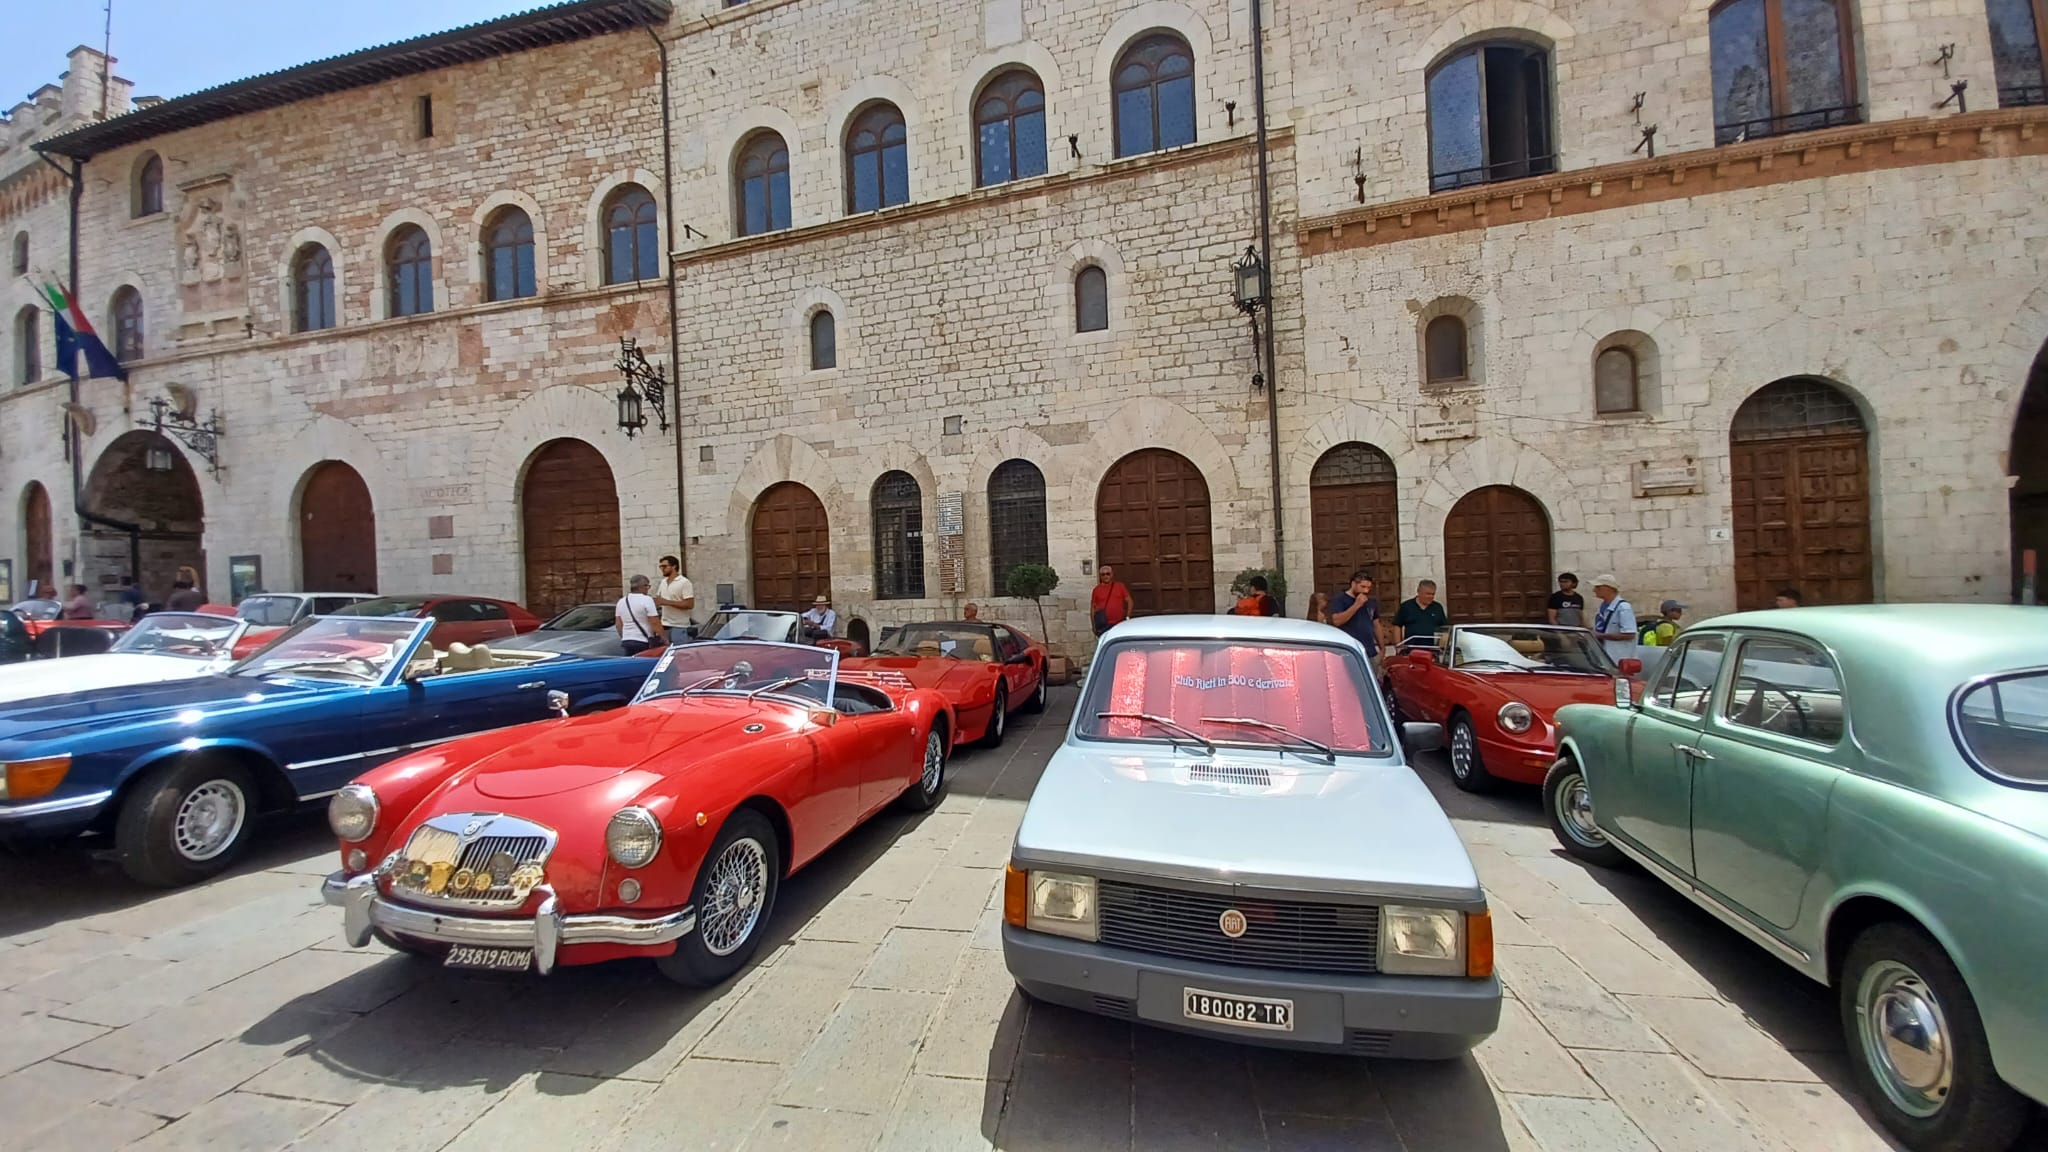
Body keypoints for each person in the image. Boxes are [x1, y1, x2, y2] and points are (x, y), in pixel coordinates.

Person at [1328, 570, 1379, 659]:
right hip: (1349, 651)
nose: (1366, 591)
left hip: (1369, 651)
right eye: (1362, 587)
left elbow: (1376, 624)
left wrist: (1382, 648)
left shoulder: (1371, 602)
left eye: (1368, 588)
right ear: (1353, 584)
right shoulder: (1339, 600)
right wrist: (1357, 605)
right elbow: (1337, 621)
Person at [1590, 575, 1638, 663]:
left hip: (1619, 658)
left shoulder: (1623, 607)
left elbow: (1629, 634)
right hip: (1604, 656)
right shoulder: (1603, 606)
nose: (1594, 590)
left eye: (1598, 587)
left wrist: (1600, 635)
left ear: (1608, 588)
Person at [615, 575, 664, 655]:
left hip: (627, 641)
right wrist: (664, 638)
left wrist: (624, 636)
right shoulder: (647, 599)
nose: (648, 589)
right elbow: (654, 622)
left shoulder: (621, 601)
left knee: (631, 662)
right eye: (647, 586)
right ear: (642, 586)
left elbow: (618, 624)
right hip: (643, 641)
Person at [1393, 580, 1448, 646]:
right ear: (1419, 592)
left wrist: (1443, 645)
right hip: (1412, 647)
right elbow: (1397, 625)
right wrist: (1398, 645)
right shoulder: (1406, 606)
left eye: (1433, 594)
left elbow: (1444, 628)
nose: (1431, 596)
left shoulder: (1438, 607)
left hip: (1433, 648)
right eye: (1428, 594)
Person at [652, 555, 695, 635]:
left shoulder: (684, 582)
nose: (662, 569)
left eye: (665, 566)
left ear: (674, 566)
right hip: (664, 624)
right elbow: (659, 599)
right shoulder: (663, 582)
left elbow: (690, 604)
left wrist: (667, 602)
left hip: (679, 626)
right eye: (661, 567)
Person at [1091, 565, 1135, 636]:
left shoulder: (1120, 586)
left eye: (1108, 574)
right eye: (1103, 574)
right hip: (1103, 624)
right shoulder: (1096, 590)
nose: (1106, 576)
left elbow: (1130, 601)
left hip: (1119, 623)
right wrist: (1093, 625)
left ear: (1111, 575)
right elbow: (1093, 608)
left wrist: (1128, 616)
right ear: (1100, 576)